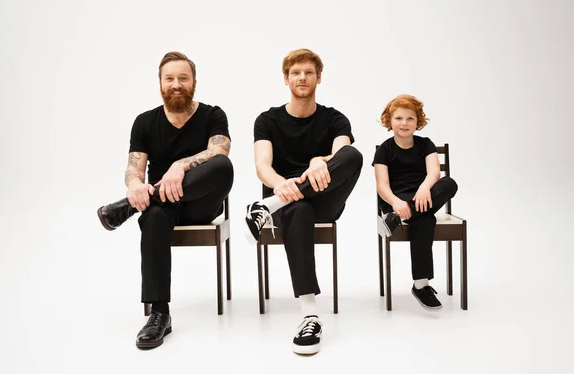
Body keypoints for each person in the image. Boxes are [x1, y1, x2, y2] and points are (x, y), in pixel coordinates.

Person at [96, 51, 233, 349]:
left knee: (223, 167)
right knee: (155, 216)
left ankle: (127, 209)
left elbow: (219, 151)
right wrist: (135, 188)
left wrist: (180, 166)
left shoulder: (213, 115)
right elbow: (134, 169)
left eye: (183, 78)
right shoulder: (145, 122)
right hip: (163, 208)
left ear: (194, 82)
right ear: (160, 83)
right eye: (169, 78)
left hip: (202, 205)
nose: (176, 84)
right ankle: (159, 314)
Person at [244, 49, 363, 355]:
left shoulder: (335, 119)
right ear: (286, 78)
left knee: (354, 156)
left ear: (319, 78)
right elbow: (262, 166)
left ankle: (264, 209)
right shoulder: (267, 120)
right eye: (296, 72)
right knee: (299, 207)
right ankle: (310, 315)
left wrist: (318, 161)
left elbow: (342, 152)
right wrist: (282, 185)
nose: (302, 78)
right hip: (287, 201)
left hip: (325, 200)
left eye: (309, 72)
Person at [373, 94, 458, 310]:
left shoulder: (425, 144)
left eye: (410, 118)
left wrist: (423, 188)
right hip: (395, 201)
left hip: (423, 197)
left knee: (450, 184)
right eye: (399, 118)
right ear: (389, 121)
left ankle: (395, 220)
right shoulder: (384, 149)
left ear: (417, 121)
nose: (404, 123)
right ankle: (421, 285)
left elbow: (434, 173)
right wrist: (396, 204)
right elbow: (382, 185)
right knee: (425, 219)